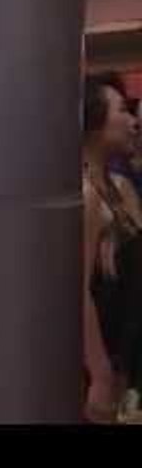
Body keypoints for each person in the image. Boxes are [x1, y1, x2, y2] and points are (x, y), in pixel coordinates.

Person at [82, 73, 142, 423]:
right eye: (123, 110)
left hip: (129, 359)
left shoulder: (122, 187)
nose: (134, 121)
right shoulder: (87, 196)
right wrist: (100, 372)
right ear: (95, 126)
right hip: (107, 364)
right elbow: (77, 292)